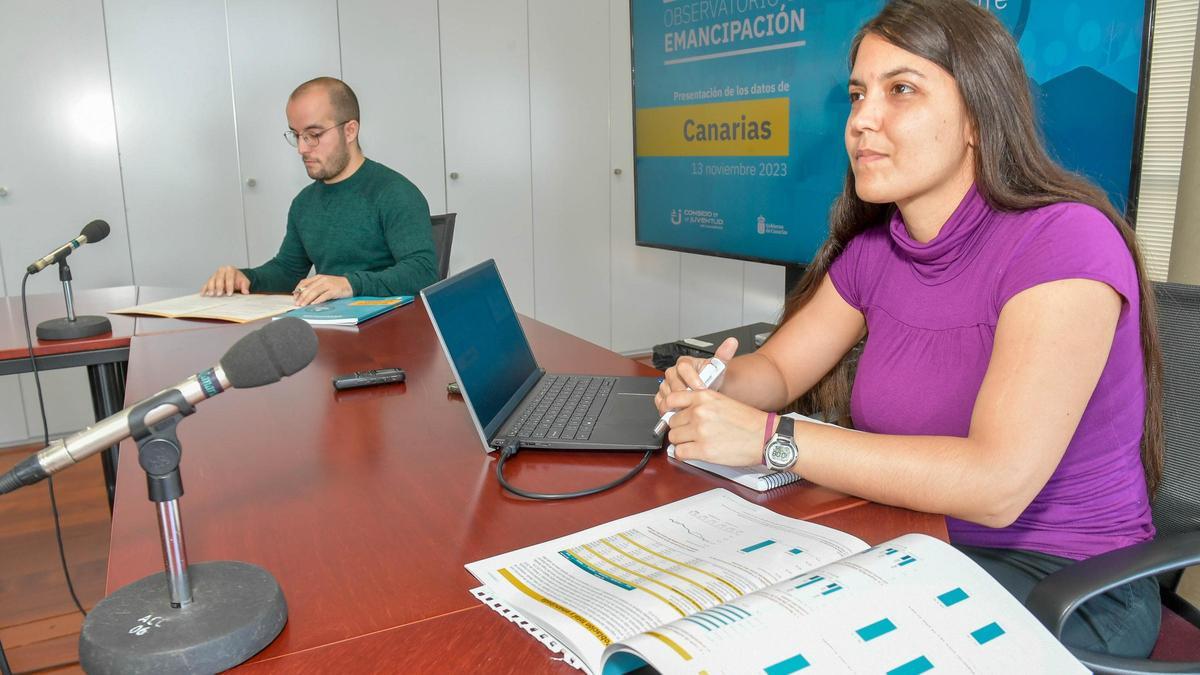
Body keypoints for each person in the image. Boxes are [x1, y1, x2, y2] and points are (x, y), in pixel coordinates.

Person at [657, 0, 1163, 658]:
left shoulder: (1067, 243)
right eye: (859, 94)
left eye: (901, 90)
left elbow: (996, 483)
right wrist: (716, 383)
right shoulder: (879, 250)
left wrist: (768, 438)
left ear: (979, 116)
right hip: (913, 544)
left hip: (1063, 584)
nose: (863, 119)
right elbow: (780, 371)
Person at [201, 77, 437, 305]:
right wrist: (247, 278)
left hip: (391, 328)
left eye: (313, 135)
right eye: (296, 135)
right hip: (333, 326)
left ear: (350, 131)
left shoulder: (394, 193)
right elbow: (288, 271)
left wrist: (348, 285)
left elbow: (422, 271)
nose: (302, 148)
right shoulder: (304, 203)